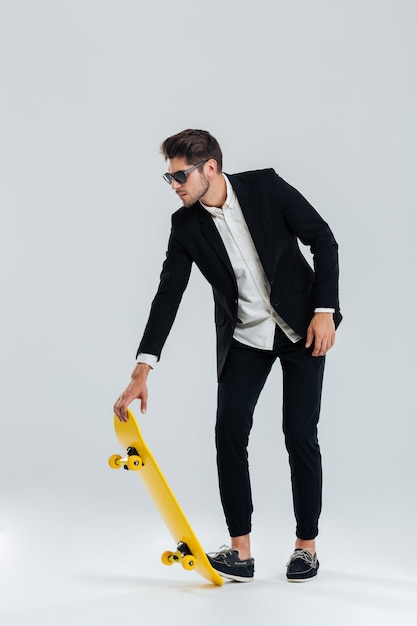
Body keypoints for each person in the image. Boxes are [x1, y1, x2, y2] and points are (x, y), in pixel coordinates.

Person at [114, 129, 342, 583]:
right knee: (228, 432)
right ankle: (241, 551)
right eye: (169, 177)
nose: (175, 185)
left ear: (210, 168)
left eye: (180, 175)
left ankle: (306, 547)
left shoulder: (266, 187)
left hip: (303, 330)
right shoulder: (185, 227)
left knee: (299, 433)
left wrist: (325, 311)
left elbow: (324, 240)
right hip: (245, 339)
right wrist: (143, 369)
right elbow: (167, 297)